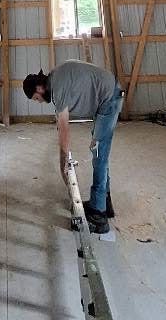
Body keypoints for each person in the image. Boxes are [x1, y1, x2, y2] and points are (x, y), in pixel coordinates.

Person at [23, 60, 123, 233]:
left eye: (36, 99)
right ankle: (104, 203)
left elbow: (64, 132)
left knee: (99, 153)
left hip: (109, 97)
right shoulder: (55, 78)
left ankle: (99, 216)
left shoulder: (58, 90)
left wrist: (63, 164)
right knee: (100, 151)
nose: (39, 102)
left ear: (39, 89)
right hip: (108, 93)